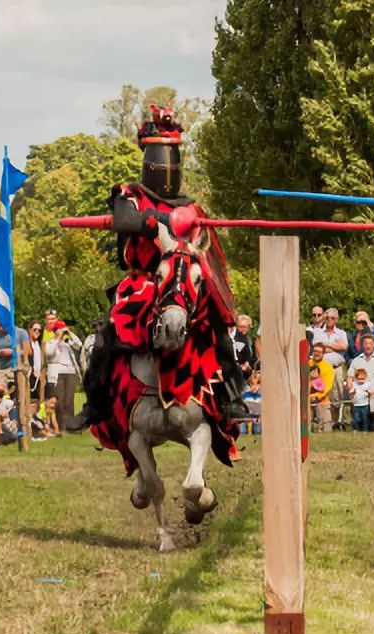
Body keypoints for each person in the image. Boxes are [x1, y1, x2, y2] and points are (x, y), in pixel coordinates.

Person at [67, 106, 247, 432]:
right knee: (106, 337)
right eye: (160, 159)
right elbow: (124, 220)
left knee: (216, 329)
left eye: (171, 159)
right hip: (144, 282)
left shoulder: (189, 206)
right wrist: (157, 221)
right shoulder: (131, 195)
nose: (166, 166)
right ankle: (95, 403)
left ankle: (229, 398)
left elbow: (203, 246)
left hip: (181, 279)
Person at [346, 333, 374, 428]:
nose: (368, 346)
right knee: (360, 426)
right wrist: (351, 390)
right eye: (366, 343)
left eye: (370, 343)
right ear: (363, 345)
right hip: (360, 399)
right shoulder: (356, 361)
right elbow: (350, 378)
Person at [313, 308, 348, 422]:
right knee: (321, 393)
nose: (329, 320)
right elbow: (318, 348)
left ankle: (335, 421)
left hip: (336, 368)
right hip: (321, 369)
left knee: (337, 395)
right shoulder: (318, 331)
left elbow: (344, 347)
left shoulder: (342, 333)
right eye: (327, 318)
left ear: (336, 320)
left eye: (332, 318)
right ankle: (323, 420)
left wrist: (327, 345)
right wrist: (335, 346)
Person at [45, 320, 80, 432]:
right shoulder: (51, 342)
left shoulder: (68, 342)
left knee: (69, 401)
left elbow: (79, 345)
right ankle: (60, 426)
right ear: (55, 330)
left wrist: (69, 333)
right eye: (61, 329)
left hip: (70, 372)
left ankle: (71, 426)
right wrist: (57, 339)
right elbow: (49, 353)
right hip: (58, 372)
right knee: (59, 401)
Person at [308, 342, 335, 431]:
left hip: (322, 400)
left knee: (326, 428)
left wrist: (316, 396)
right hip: (306, 400)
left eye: (319, 352)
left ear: (323, 354)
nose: (316, 353)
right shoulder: (306, 364)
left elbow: (327, 387)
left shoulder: (328, 367)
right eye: (315, 351)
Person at [309, 364, 332, 432]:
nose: (313, 373)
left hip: (320, 401)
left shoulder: (319, 381)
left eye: (315, 372)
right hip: (311, 402)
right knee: (311, 416)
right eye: (312, 372)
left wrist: (314, 386)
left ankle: (321, 429)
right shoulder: (309, 381)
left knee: (321, 417)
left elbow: (322, 389)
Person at [349, 368, 373, 432]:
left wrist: (369, 393)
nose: (361, 381)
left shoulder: (367, 384)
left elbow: (371, 393)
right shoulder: (354, 384)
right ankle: (356, 429)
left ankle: (365, 430)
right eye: (359, 379)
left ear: (366, 378)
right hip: (356, 405)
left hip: (365, 404)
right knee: (356, 419)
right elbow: (351, 393)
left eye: (363, 379)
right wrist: (352, 396)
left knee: (365, 418)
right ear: (356, 378)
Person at [28, 320, 45, 398]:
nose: (37, 332)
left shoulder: (40, 345)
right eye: (35, 329)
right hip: (29, 377)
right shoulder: (26, 344)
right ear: (30, 330)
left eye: (39, 330)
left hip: (39, 379)